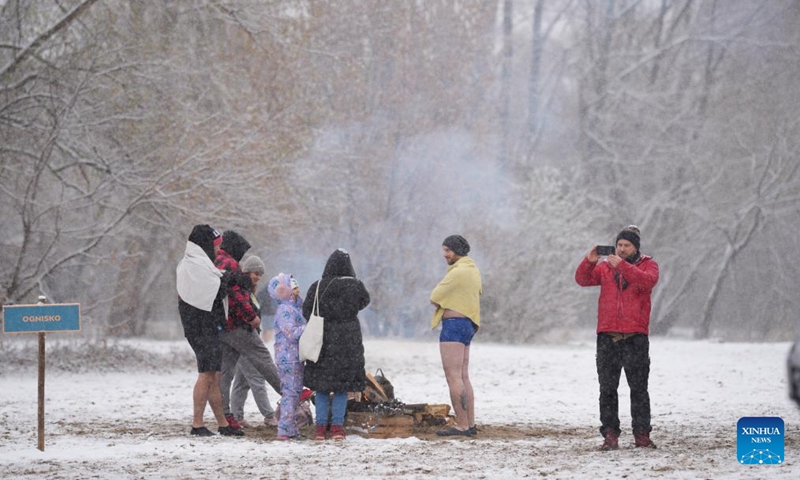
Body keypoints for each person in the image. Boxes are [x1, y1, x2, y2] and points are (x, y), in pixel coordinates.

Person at [574, 225, 660, 450]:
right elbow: (582, 279)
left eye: (627, 246)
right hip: (608, 337)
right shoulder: (605, 268)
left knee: (639, 389)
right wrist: (590, 260)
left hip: (635, 337)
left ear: (635, 247)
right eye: (619, 245)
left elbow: (647, 281)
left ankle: (642, 434)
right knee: (607, 389)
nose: (621, 249)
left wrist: (622, 267)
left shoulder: (649, 265)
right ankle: (610, 434)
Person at [175, 224, 243, 437]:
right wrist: (228, 280)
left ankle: (222, 423)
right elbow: (212, 291)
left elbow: (212, 282)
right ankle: (197, 424)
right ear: (205, 245)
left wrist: (226, 278)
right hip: (200, 327)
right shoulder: (194, 265)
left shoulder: (198, 264)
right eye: (215, 246)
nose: (217, 250)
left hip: (205, 326)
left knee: (214, 374)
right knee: (206, 375)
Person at [215, 231, 282, 432]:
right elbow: (236, 298)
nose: (258, 277)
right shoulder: (231, 266)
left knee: (228, 375)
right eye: (256, 273)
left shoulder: (215, 261)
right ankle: (288, 396)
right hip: (238, 327)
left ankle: (228, 416)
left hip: (223, 327)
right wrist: (251, 317)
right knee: (261, 365)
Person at [302, 249, 370, 441]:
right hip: (348, 344)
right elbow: (365, 301)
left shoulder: (317, 286)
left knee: (322, 388)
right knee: (342, 387)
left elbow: (307, 310)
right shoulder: (355, 286)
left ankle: (320, 428)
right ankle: (338, 428)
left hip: (322, 342)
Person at [430, 235, 482, 437]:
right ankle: (470, 423)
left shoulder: (458, 272)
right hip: (467, 325)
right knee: (463, 376)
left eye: (447, 250)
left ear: (456, 250)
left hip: (453, 325)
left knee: (453, 377)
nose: (445, 255)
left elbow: (435, 296)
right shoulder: (473, 270)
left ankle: (461, 425)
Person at [229, 255, 278, 428]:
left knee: (242, 382)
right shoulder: (240, 290)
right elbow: (244, 312)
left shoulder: (250, 291)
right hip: (245, 341)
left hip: (249, 339)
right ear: (246, 271)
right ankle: (270, 416)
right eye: (255, 272)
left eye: (260, 274)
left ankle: (236, 416)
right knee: (257, 379)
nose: (257, 276)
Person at [268, 273, 306, 440]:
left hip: (293, 357)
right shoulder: (285, 310)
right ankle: (284, 429)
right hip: (287, 357)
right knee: (290, 393)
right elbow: (291, 333)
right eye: (293, 286)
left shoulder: (293, 308)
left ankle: (291, 428)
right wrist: (309, 327)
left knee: (295, 392)